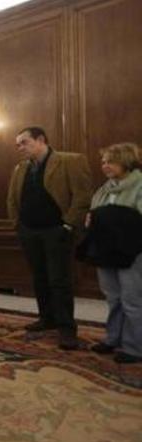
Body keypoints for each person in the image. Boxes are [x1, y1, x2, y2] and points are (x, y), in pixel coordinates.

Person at [7, 127, 93, 349]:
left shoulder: (70, 161)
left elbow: (82, 196)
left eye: (24, 143)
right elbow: (12, 199)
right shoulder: (20, 168)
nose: (20, 148)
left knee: (59, 280)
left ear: (41, 140)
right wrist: (18, 225)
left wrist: (67, 225)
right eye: (18, 145)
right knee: (39, 278)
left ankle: (66, 328)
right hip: (29, 232)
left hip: (56, 231)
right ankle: (47, 319)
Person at [84, 143, 142, 364]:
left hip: (132, 251)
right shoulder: (105, 187)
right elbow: (95, 212)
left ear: (126, 161)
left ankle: (135, 347)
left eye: (110, 161)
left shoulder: (139, 185)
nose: (105, 166)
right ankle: (113, 338)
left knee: (132, 300)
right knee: (113, 298)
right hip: (106, 250)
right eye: (103, 162)